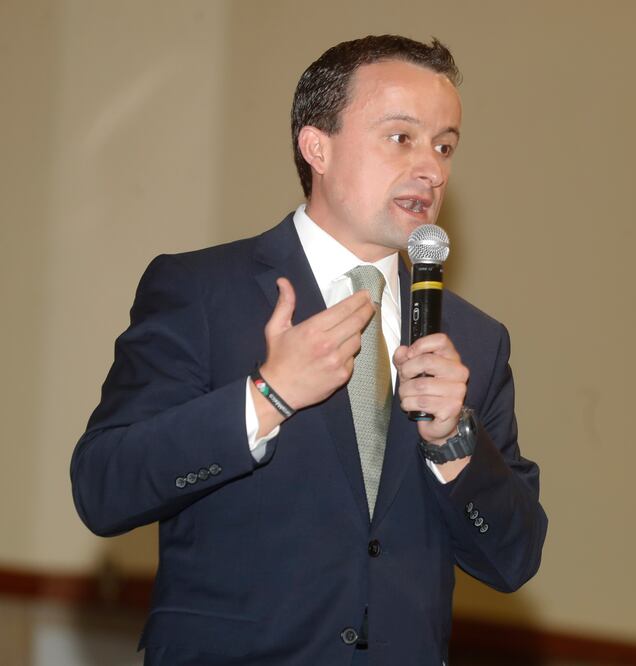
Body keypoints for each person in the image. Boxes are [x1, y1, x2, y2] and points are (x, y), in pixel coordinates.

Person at [70, 35, 547, 665]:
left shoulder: (475, 342)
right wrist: (267, 396)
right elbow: (105, 488)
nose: (431, 168)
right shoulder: (204, 293)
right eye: (401, 138)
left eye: (444, 145)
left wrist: (456, 443)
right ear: (316, 146)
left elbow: (513, 558)